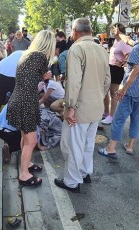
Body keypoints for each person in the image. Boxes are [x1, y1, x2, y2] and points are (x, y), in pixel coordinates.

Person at [54, 18, 111, 193]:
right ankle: (85, 172)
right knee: (87, 143)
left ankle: (72, 181)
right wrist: (99, 96)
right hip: (96, 105)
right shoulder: (101, 49)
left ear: (75, 31)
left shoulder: (76, 49)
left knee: (73, 145)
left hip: (79, 106)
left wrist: (70, 107)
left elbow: (74, 82)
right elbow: (107, 80)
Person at [98, 23, 139, 159]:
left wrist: (123, 89)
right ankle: (130, 146)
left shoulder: (137, 49)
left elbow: (136, 70)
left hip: (131, 90)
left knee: (118, 119)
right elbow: (130, 43)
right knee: (135, 118)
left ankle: (111, 148)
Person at [7, 30, 56, 187]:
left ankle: (26, 165)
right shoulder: (40, 57)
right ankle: (24, 174)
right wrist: (46, 76)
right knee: (32, 140)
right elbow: (41, 77)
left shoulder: (27, 54)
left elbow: (29, 78)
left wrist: (41, 77)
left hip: (18, 99)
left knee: (25, 137)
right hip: (26, 102)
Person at [102, 22, 132, 125]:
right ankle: (106, 113)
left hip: (116, 70)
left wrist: (123, 63)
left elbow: (131, 54)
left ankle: (111, 116)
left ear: (118, 30)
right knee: (105, 92)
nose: (111, 31)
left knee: (113, 94)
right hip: (110, 68)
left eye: (113, 29)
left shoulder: (123, 43)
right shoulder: (116, 41)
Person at [0, 50, 24, 127]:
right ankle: (14, 120)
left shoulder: (20, 53)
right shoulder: (31, 57)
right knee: (16, 98)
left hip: (0, 70)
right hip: (11, 74)